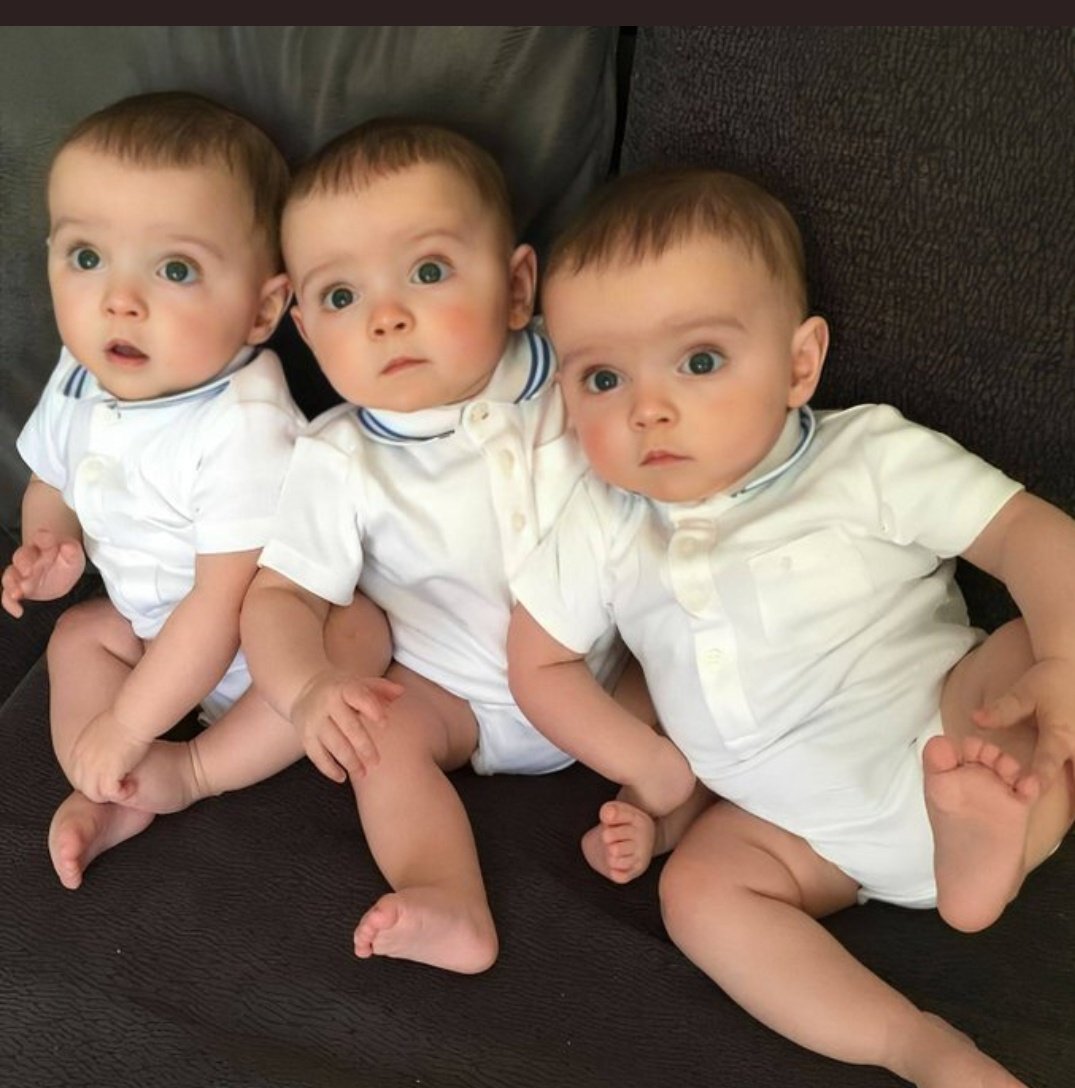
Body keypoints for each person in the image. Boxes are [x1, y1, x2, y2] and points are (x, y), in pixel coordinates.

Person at [507, 166, 1075, 1087]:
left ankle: (987, 845)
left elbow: (1027, 534)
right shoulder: (602, 523)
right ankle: (917, 1048)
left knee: (1027, 654)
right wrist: (649, 768)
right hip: (794, 836)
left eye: (698, 361)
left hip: (952, 736)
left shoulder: (864, 457)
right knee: (698, 893)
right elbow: (539, 663)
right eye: (602, 377)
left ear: (799, 364)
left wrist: (1062, 660)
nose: (647, 408)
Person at [241, 118, 630, 974]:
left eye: (426, 272)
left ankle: (665, 811)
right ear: (302, 329)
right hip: (451, 700)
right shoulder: (341, 456)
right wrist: (307, 690)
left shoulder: (576, 373)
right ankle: (447, 896)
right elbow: (280, 597)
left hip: (613, 680)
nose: (386, 318)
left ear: (517, 287)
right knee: (378, 737)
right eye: (340, 297)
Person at [1, 91, 391, 891]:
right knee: (76, 636)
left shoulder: (243, 421)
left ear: (261, 309)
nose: (119, 299)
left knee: (361, 638)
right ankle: (109, 790)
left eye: (174, 270)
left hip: (262, 641)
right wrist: (50, 539)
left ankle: (193, 770)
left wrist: (130, 722)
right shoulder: (80, 375)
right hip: (148, 624)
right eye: (86, 257)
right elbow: (51, 478)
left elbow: (221, 604)